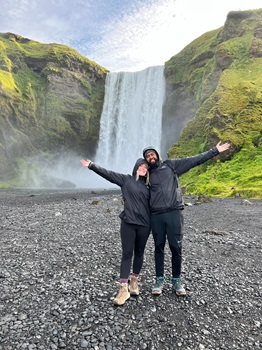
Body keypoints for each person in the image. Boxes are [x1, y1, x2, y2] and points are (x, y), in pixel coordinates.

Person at [142, 141, 231, 296]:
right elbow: (132, 186)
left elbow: (194, 160)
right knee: (159, 247)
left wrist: (215, 151)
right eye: (147, 156)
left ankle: (176, 281)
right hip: (156, 215)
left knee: (176, 247)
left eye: (152, 154)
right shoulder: (146, 174)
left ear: (157, 155)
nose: (151, 157)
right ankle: (159, 280)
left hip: (174, 212)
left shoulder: (171, 166)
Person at [80, 158, 151, 305]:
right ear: (136, 167)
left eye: (146, 167)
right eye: (141, 166)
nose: (143, 168)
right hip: (128, 223)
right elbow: (109, 174)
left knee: (139, 253)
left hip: (145, 225)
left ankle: (134, 282)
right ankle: (123, 289)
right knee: (127, 254)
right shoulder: (126, 180)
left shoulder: (150, 186)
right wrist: (92, 166)